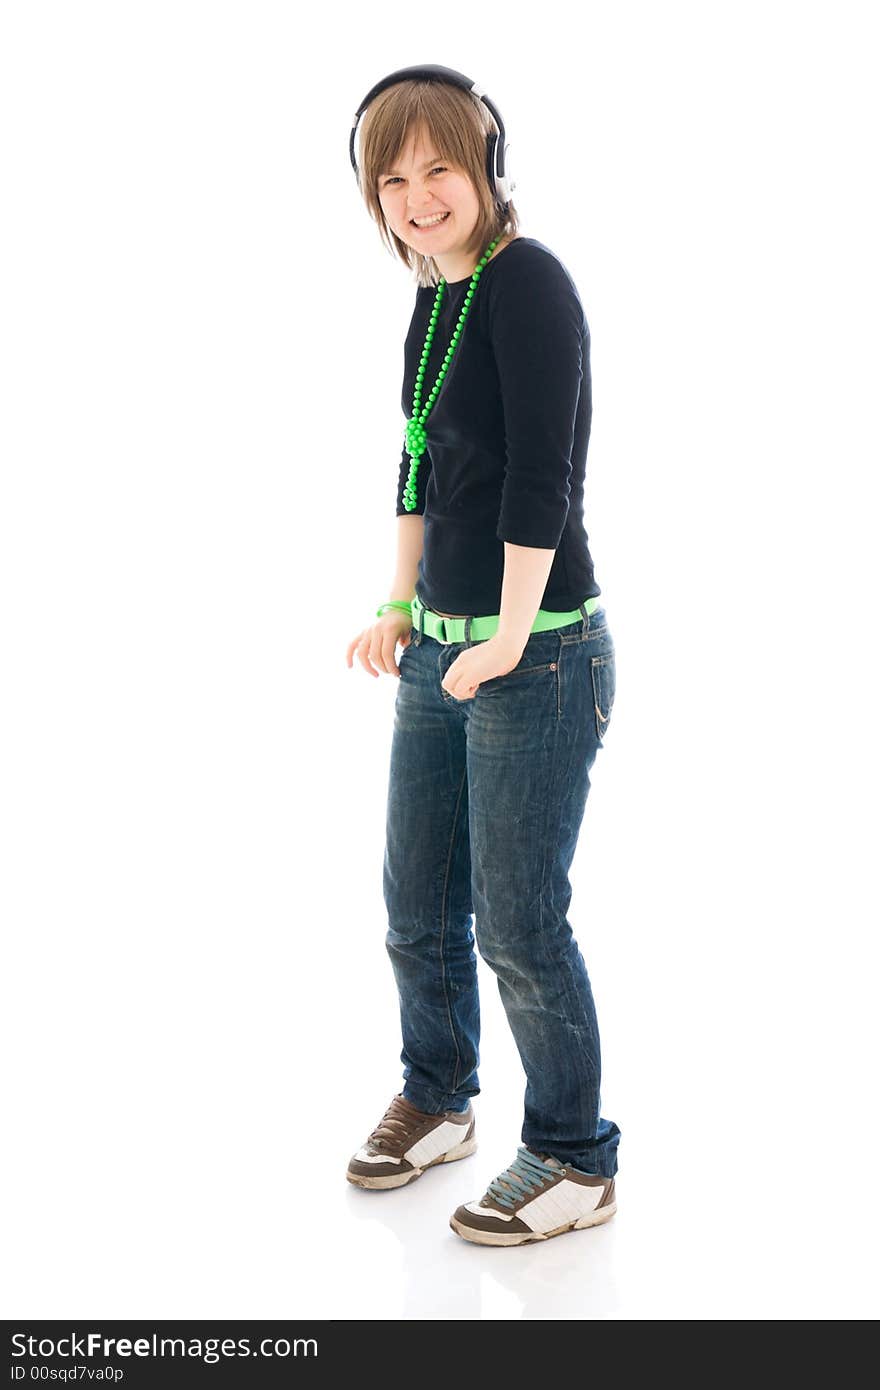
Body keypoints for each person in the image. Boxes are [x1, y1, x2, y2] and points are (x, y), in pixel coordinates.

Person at [344, 67, 621, 1247]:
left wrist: (506, 633)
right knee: (417, 903)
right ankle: (443, 1095)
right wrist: (399, 605)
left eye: (437, 167)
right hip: (439, 656)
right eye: (391, 178)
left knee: (518, 923)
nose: (416, 195)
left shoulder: (528, 285)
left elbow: (537, 478)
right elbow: (415, 458)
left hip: (539, 653)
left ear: (485, 162)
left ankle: (571, 1156)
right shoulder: (434, 294)